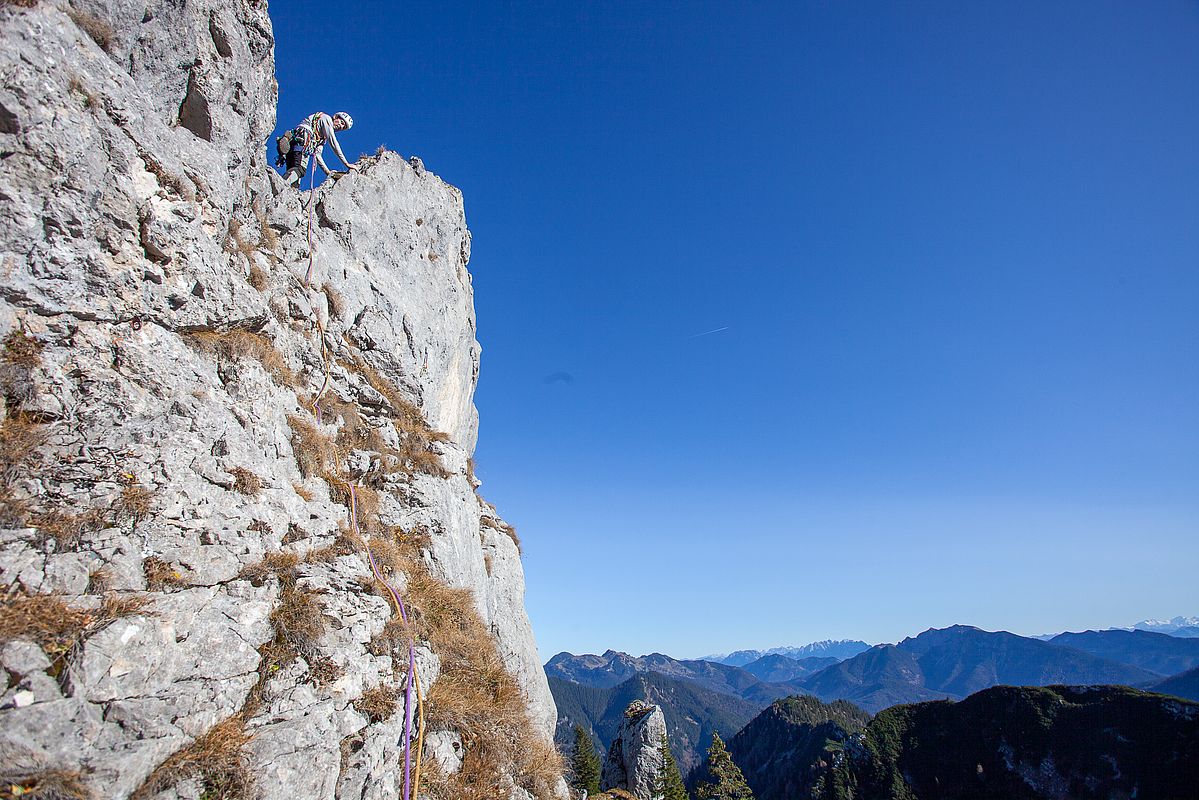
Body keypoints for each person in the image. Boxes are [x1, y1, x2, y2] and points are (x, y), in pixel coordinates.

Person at [276, 111, 359, 186]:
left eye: (343, 127)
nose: (340, 126)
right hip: (305, 138)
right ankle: (281, 185)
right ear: (335, 117)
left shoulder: (322, 138)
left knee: (295, 175)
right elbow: (333, 142)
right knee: (299, 169)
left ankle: (288, 190)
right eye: (341, 122)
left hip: (297, 141)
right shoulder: (326, 119)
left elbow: (318, 155)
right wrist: (346, 163)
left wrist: (328, 172)